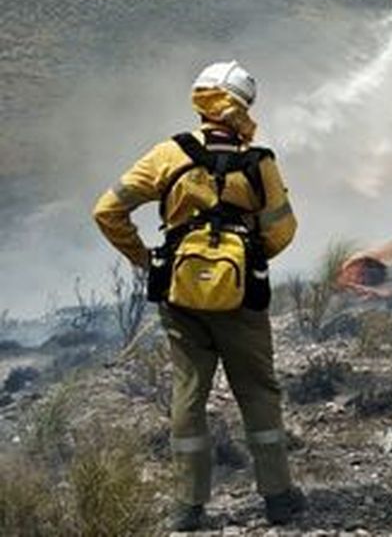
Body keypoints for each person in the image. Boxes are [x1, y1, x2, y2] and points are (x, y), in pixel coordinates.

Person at [92, 60, 305, 531]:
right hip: (242, 299)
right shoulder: (260, 163)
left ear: (201, 101)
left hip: (181, 296)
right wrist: (246, 259)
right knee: (258, 391)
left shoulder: (169, 154)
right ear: (243, 107)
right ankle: (278, 498)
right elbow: (283, 229)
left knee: (188, 395)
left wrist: (146, 259)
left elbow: (107, 210)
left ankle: (188, 506)